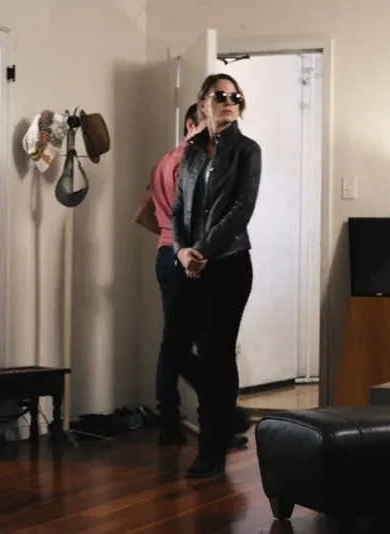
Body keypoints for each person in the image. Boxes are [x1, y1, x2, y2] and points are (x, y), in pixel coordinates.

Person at [162, 73, 261, 478]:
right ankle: (226, 412)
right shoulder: (191, 153)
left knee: (217, 354)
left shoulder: (247, 150)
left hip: (229, 265)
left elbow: (242, 210)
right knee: (175, 349)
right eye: (220, 96)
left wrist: (202, 251)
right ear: (204, 102)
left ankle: (211, 449)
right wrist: (181, 250)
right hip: (190, 264)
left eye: (235, 96)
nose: (228, 101)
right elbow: (178, 209)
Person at [135, 105, 250, 449]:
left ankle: (170, 425)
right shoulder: (196, 162)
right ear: (191, 124)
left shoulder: (163, 162)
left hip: (166, 255)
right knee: (210, 345)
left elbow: (142, 213)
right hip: (195, 258)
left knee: (175, 342)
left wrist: (169, 239)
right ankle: (217, 424)